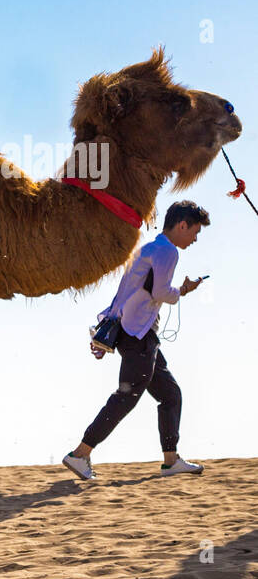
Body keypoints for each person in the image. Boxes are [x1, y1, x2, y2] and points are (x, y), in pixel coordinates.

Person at [62, 201, 210, 480]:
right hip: (137, 335)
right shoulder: (168, 251)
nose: (195, 238)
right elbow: (162, 291)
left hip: (138, 333)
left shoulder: (148, 249)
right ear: (182, 225)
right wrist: (184, 290)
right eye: (195, 232)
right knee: (126, 397)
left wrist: (107, 333)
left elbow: (125, 293)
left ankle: (171, 461)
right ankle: (80, 454)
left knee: (170, 394)